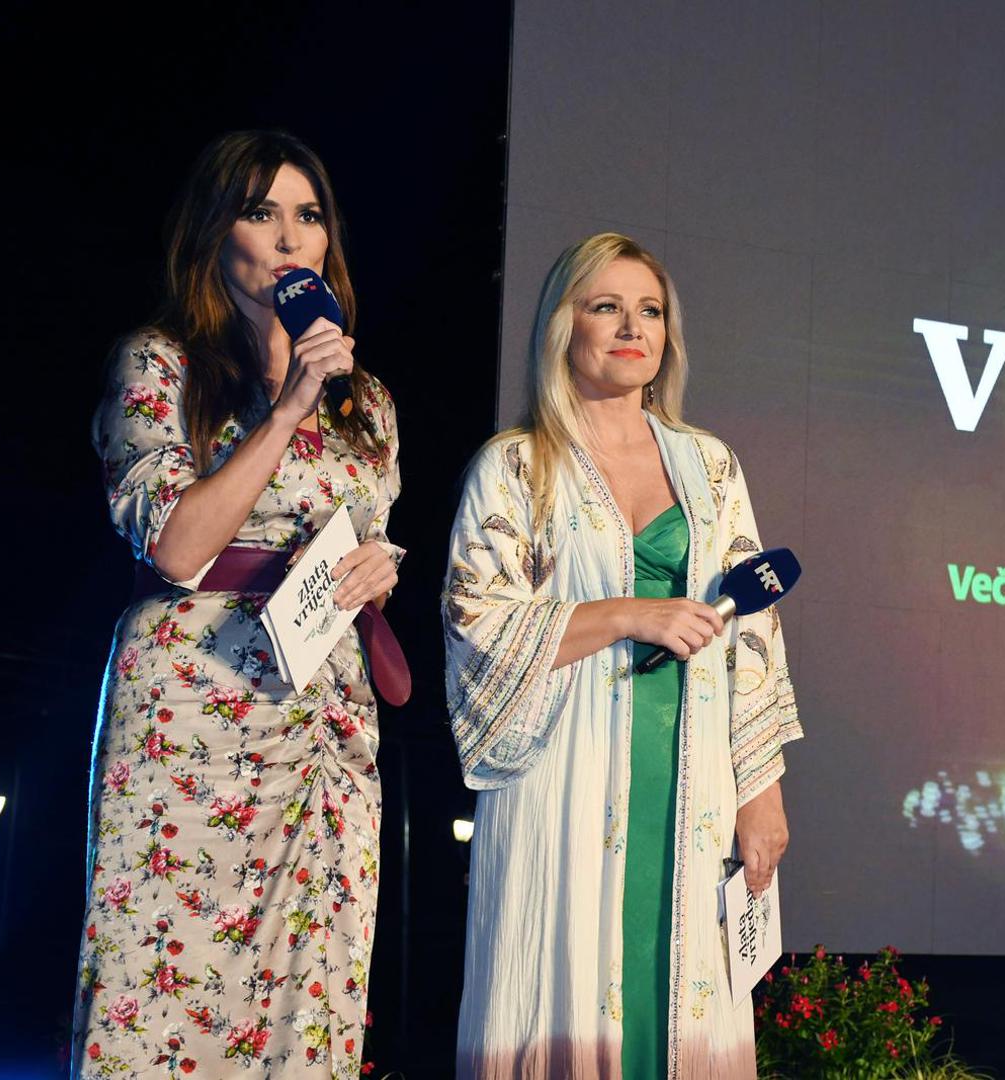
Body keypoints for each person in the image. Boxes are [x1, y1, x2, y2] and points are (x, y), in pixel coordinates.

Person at [74, 130, 403, 1077]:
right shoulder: (160, 363)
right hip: (192, 706)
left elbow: (364, 530)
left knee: (313, 986)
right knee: (165, 984)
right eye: (263, 213)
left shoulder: (367, 401)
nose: (292, 237)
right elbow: (176, 546)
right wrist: (289, 404)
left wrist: (378, 569)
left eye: (310, 215)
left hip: (323, 712)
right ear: (217, 233)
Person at [444, 232, 802, 1079]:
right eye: (606, 307)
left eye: (650, 310)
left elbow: (754, 631)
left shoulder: (711, 466)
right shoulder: (516, 467)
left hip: (694, 779)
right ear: (563, 324)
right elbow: (476, 626)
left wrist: (761, 791)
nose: (632, 327)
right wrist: (625, 614)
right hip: (562, 775)